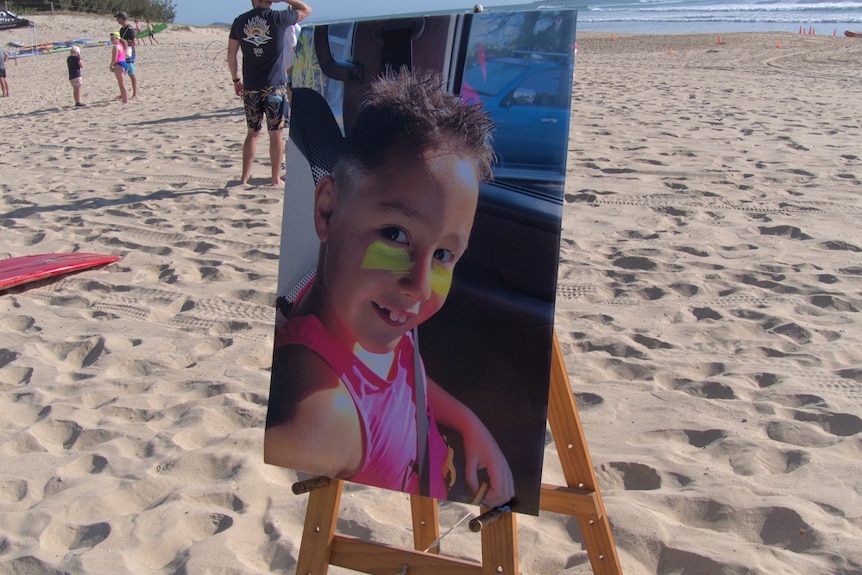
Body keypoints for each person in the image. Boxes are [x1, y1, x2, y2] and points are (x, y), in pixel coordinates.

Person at [264, 69, 515, 508]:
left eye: (443, 256)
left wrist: (468, 420)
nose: (419, 286)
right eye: (395, 235)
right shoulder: (326, 412)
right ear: (327, 210)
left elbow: (402, 374)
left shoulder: (374, 324)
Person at [228, 0, 311, 186]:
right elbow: (306, 9)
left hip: (251, 86)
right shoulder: (278, 18)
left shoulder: (240, 21)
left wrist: (236, 80)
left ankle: (244, 178)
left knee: (252, 133)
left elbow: (231, 54)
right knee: (276, 133)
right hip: (275, 85)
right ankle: (275, 179)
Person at [115, 11, 138, 99]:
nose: (117, 20)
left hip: (129, 53)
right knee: (122, 73)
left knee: (131, 73)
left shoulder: (130, 29)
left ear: (121, 18)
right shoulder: (121, 30)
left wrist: (126, 44)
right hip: (122, 53)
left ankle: (135, 93)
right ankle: (123, 93)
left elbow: (134, 42)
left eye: (118, 18)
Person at [109, 31, 129, 104]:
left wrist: (110, 66)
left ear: (117, 38)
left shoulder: (116, 46)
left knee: (121, 84)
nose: (111, 40)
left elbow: (114, 59)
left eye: (112, 39)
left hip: (119, 64)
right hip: (124, 63)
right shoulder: (121, 45)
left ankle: (125, 100)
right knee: (122, 83)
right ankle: (124, 98)